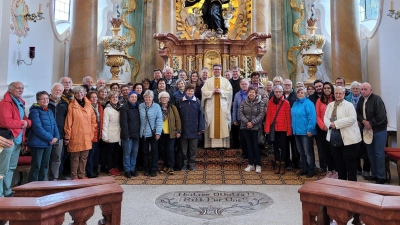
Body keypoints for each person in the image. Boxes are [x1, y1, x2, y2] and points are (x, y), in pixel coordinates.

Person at [0, 82, 31, 197]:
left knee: (12, 168)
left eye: (22, 88)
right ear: (10, 89)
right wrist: (23, 123)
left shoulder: (20, 102)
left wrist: (27, 122)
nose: (21, 90)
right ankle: (0, 194)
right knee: (2, 169)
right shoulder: (5, 103)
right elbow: (6, 122)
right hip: (7, 139)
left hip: (18, 139)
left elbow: (26, 119)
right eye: (18, 88)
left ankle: (7, 191)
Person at [324, 86, 361, 181]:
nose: (338, 95)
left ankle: (352, 183)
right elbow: (326, 118)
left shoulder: (349, 105)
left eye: (340, 93)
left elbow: (352, 119)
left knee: (350, 161)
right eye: (336, 93)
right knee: (338, 161)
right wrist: (330, 124)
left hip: (349, 138)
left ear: (344, 94)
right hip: (334, 137)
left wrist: (336, 124)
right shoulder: (331, 105)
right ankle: (342, 181)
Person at [356, 82, 388, 184]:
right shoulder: (361, 99)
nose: (363, 91)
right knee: (370, 153)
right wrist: (364, 121)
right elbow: (358, 113)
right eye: (362, 89)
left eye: (365, 89)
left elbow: (381, 116)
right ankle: (374, 174)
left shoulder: (377, 99)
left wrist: (371, 123)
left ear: (371, 90)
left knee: (379, 153)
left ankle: (381, 176)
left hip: (379, 130)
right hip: (367, 130)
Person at [64, 86, 97, 180]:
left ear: (84, 93)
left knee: (84, 157)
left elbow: (93, 119)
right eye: (77, 93)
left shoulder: (88, 105)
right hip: (75, 135)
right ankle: (74, 175)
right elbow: (68, 122)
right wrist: (67, 135)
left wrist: (91, 130)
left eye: (81, 92)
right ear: (74, 94)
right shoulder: (71, 105)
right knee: (75, 158)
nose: (80, 94)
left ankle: (81, 175)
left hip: (87, 135)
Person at [27, 91, 60, 182]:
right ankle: (32, 187)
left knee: (45, 165)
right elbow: (37, 128)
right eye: (43, 98)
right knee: (36, 166)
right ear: (38, 100)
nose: (45, 100)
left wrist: (56, 136)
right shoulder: (34, 111)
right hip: (37, 144)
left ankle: (42, 185)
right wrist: (50, 138)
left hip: (48, 144)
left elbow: (54, 125)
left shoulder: (49, 111)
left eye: (47, 98)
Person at [201, 63, 233, 148]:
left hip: (223, 108)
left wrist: (221, 92)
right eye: (215, 69)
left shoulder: (225, 81)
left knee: (223, 124)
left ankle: (223, 145)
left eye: (218, 69)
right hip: (211, 107)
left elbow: (229, 92)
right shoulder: (208, 81)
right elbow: (203, 91)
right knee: (211, 124)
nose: (217, 71)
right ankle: (211, 145)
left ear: (221, 70)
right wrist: (212, 92)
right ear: (213, 70)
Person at [176, 84, 204, 171]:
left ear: (193, 92)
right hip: (183, 129)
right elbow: (177, 116)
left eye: (191, 91)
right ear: (185, 91)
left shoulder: (197, 102)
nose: (190, 92)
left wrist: (200, 128)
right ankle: (184, 163)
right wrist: (178, 130)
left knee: (193, 148)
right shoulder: (180, 101)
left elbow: (201, 116)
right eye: (188, 90)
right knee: (183, 148)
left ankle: (191, 163)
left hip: (194, 129)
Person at [264, 85, 291, 175]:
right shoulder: (270, 102)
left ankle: (283, 164)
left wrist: (289, 130)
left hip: (283, 129)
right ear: (274, 92)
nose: (278, 93)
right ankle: (277, 163)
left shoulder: (286, 103)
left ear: (282, 92)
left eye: (280, 92)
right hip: (274, 129)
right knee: (275, 147)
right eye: (276, 92)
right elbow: (268, 116)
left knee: (283, 147)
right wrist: (267, 128)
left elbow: (288, 117)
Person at [346, 81, 370, 177]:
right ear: (351, 90)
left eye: (357, 89)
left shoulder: (364, 99)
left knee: (365, 148)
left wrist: (361, 121)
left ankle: (366, 169)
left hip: (364, 126)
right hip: (352, 127)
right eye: (353, 89)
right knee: (354, 148)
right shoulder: (347, 99)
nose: (355, 90)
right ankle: (357, 168)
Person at [291, 88, 316, 178]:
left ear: (305, 94)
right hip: (297, 132)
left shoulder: (308, 103)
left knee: (308, 152)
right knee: (301, 152)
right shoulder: (295, 103)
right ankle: (304, 169)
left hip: (306, 132)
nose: (300, 94)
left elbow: (312, 117)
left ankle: (311, 169)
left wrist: (310, 129)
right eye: (298, 92)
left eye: (302, 93)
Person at [240, 86, 265, 173]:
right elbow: (241, 113)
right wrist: (247, 122)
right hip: (245, 127)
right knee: (249, 146)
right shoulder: (244, 102)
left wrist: (252, 123)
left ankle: (258, 164)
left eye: (253, 92)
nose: (251, 94)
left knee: (256, 146)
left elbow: (261, 114)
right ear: (248, 93)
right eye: (250, 92)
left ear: (256, 93)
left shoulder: (260, 103)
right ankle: (251, 164)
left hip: (256, 128)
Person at [48, 83, 68, 181]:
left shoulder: (64, 103)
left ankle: (54, 178)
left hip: (59, 135)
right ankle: (44, 178)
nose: (58, 92)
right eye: (56, 90)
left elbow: (67, 120)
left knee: (57, 158)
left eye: (60, 90)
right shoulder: (45, 101)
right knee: (46, 158)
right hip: (46, 135)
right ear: (51, 90)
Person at [139, 90, 162, 176]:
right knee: (144, 152)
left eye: (149, 97)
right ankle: (146, 169)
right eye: (146, 97)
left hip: (153, 133)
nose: (148, 98)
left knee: (154, 152)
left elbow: (159, 120)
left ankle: (153, 169)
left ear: (152, 98)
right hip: (143, 133)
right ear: (144, 98)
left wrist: (158, 133)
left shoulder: (157, 107)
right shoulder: (140, 106)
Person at [158, 91, 181, 174]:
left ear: (168, 99)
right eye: (162, 98)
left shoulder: (172, 107)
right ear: (160, 99)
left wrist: (178, 131)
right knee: (163, 150)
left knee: (170, 150)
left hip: (171, 133)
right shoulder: (157, 107)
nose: (164, 99)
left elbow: (177, 119)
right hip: (161, 133)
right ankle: (165, 165)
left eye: (166, 97)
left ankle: (171, 166)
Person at [315, 82, 336, 176]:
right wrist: (323, 126)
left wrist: (330, 125)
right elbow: (318, 115)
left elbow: (334, 114)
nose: (326, 90)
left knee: (334, 150)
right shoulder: (319, 100)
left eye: (328, 88)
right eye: (325, 88)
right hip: (323, 129)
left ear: (331, 89)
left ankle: (336, 170)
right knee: (326, 150)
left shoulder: (335, 99)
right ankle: (329, 169)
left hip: (334, 128)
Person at [120, 91, 140, 178]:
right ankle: (127, 170)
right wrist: (126, 135)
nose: (134, 99)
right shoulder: (124, 108)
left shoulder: (138, 107)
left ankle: (132, 169)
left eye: (135, 97)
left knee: (134, 153)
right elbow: (123, 122)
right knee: (127, 153)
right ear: (128, 98)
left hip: (136, 134)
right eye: (132, 97)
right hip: (127, 135)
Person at [102, 91, 122, 176]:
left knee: (116, 152)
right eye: (113, 97)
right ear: (109, 99)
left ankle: (115, 167)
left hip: (118, 133)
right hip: (110, 133)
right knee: (110, 152)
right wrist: (105, 136)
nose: (115, 99)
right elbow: (105, 123)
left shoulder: (120, 107)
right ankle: (110, 168)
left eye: (116, 97)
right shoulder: (107, 109)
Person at [86, 91, 103, 178]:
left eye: (96, 97)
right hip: (91, 133)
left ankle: (95, 170)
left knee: (96, 153)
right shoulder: (87, 107)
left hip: (99, 133)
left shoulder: (99, 107)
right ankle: (90, 171)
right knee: (91, 153)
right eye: (92, 97)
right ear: (88, 99)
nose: (94, 99)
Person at [232, 79, 249, 159]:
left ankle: (250, 152)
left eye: (245, 84)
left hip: (250, 119)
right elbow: (235, 107)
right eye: (242, 84)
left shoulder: (251, 93)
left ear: (248, 85)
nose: (244, 85)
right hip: (240, 119)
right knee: (242, 137)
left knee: (249, 138)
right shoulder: (237, 95)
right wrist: (234, 119)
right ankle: (244, 152)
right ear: (240, 85)